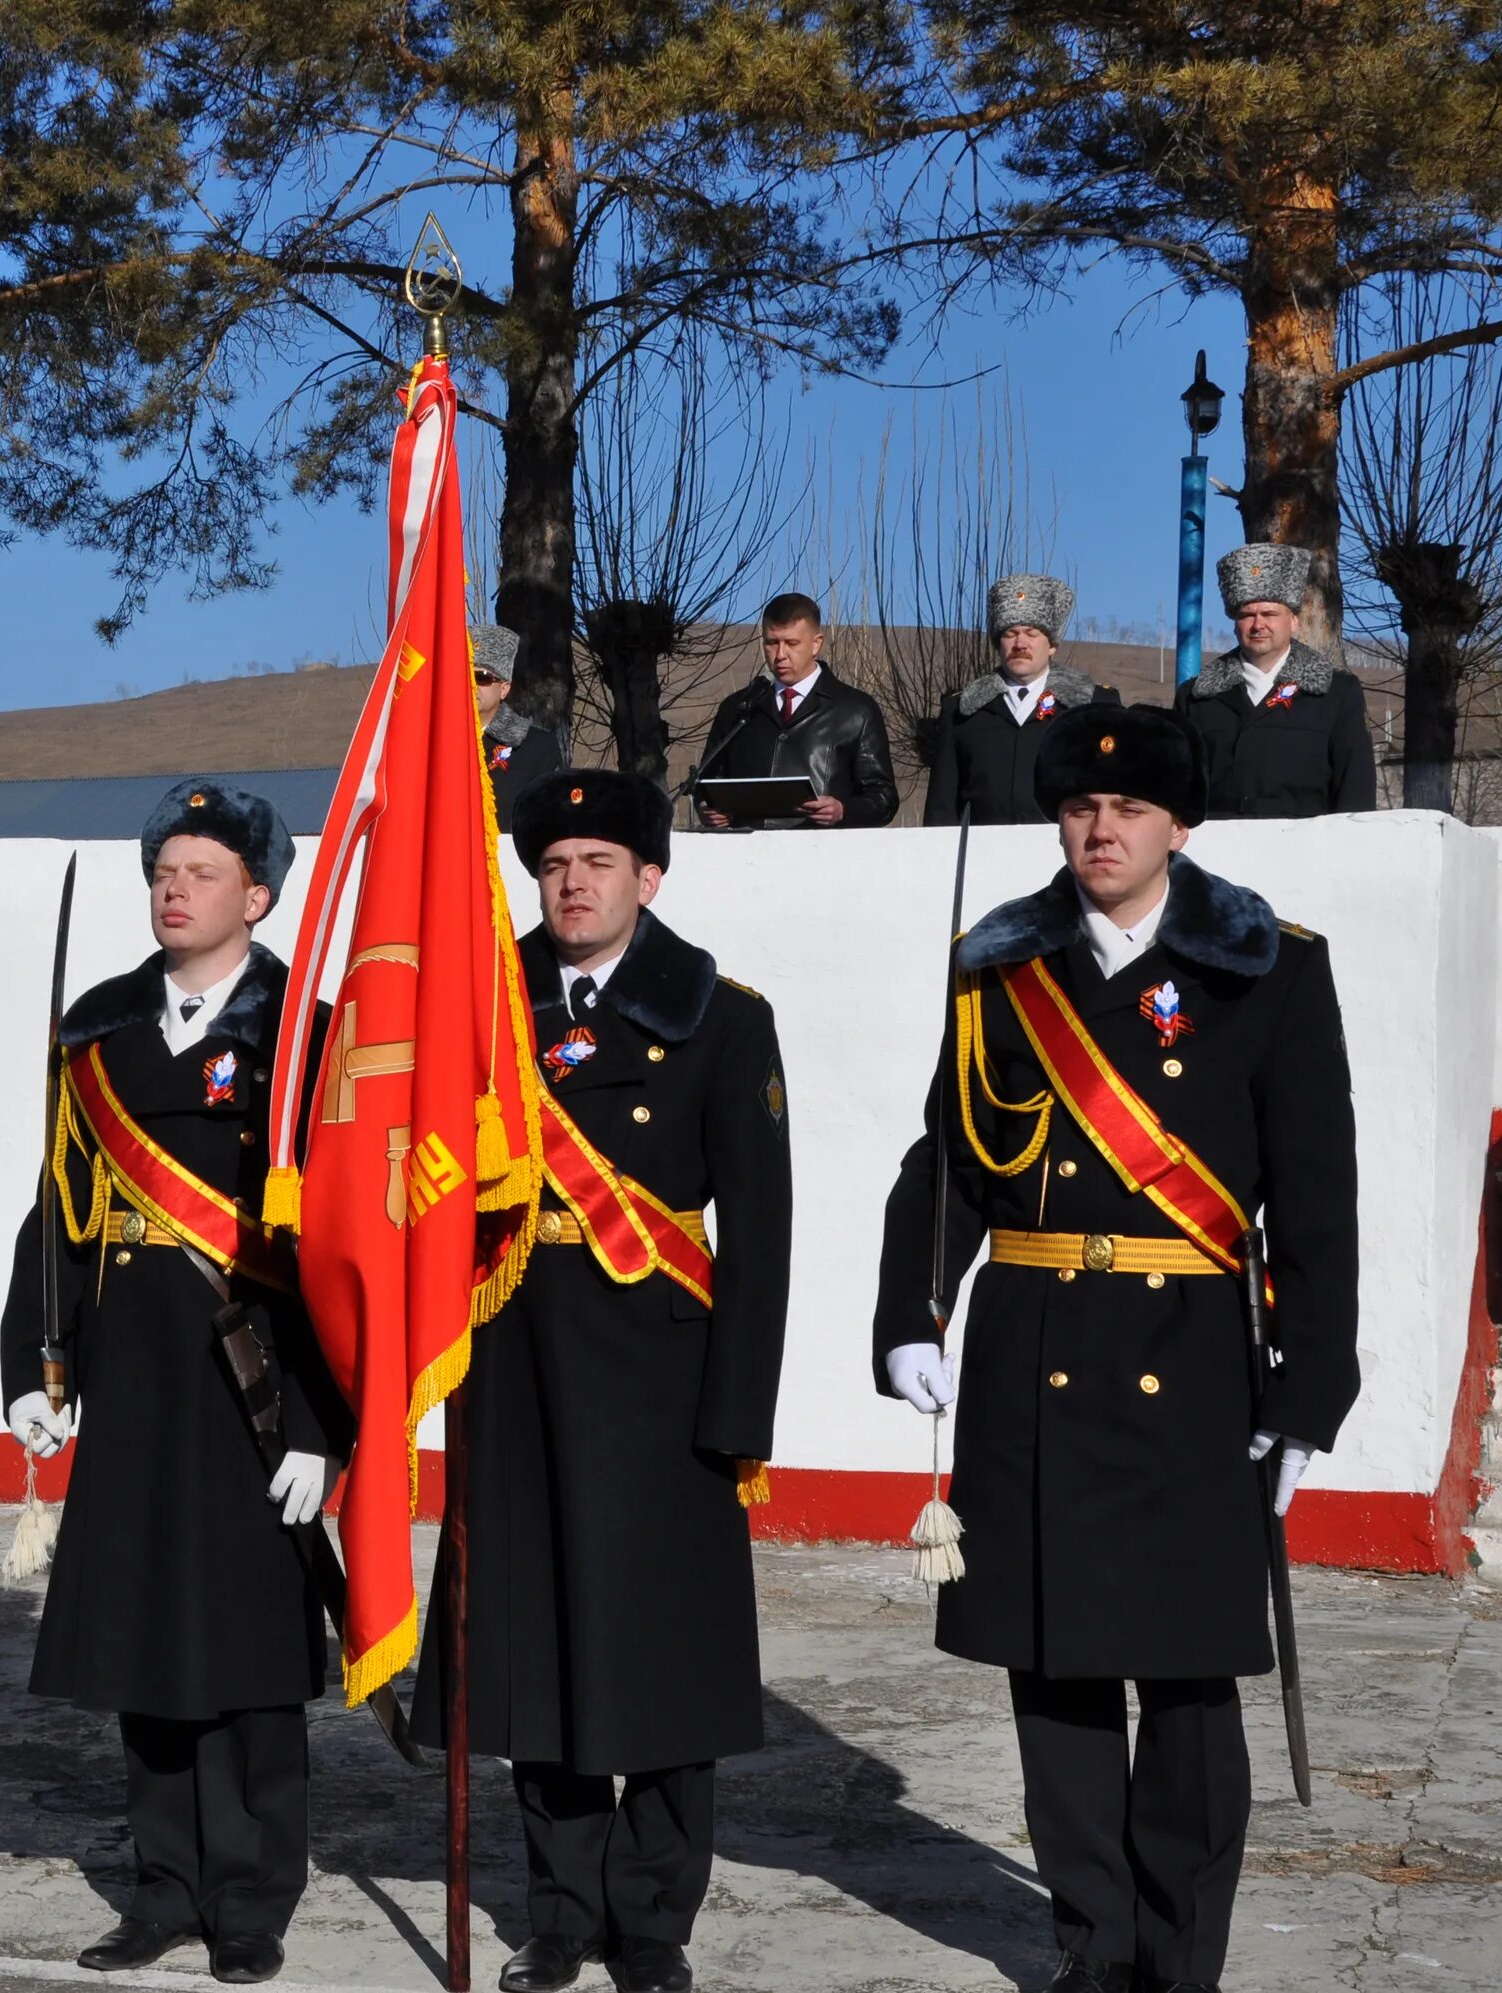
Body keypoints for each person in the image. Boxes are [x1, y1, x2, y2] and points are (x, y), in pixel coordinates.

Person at [871, 706, 1361, 1993]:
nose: (1102, 829)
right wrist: (911, 1312)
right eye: (1083, 810)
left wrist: (1309, 1389)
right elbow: (951, 1159)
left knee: (1191, 1683)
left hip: (1194, 1359)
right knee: (1058, 1674)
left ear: (1180, 826)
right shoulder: (1002, 965)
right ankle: (1094, 1946)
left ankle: (1179, 1956)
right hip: (1034, 1352)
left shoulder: (1268, 967)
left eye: (1131, 810)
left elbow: (1315, 1200)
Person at [414, 769, 793, 1993]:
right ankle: (559, 1914)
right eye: (555, 864)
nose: (572, 884)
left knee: (666, 1665)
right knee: (537, 1657)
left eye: (597, 863)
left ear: (650, 878)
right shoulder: (485, 1009)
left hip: (663, 1379)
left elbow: (764, 1230)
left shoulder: (723, 1016)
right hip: (518, 1367)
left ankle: (654, 1920)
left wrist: (739, 1413)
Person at [0, 779, 348, 1987]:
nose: (173, 887)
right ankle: (161, 1886)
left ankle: (251, 1897)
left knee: (251, 1661)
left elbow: (340, 1248)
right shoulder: (97, 1027)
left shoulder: (309, 1027)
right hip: (137, 1380)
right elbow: (56, 1207)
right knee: (147, 1653)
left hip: (253, 1384)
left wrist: (321, 1423)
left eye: (201, 872)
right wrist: (34, 1363)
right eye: (164, 869)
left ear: (257, 895)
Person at [1173, 545, 1376, 818]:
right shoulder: (1196, 698)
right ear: (1235, 623)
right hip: (1216, 855)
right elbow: (1178, 793)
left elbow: (1356, 795)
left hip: (1308, 853)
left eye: (1269, 614)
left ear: (1293, 621)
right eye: (1246, 615)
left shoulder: (1336, 693)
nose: (1258, 625)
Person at [924, 575, 1121, 826]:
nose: (1020, 643)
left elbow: (1115, 792)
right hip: (982, 855)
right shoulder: (962, 709)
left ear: (1052, 645)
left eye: (1031, 632)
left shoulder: (1094, 705)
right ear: (998, 643)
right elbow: (942, 805)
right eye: (1010, 633)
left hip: (1066, 853)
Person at [693, 593, 898, 828]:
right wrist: (706, 808)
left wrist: (844, 810)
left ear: (816, 643)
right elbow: (706, 782)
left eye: (791, 643)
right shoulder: (738, 708)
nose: (780, 655)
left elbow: (884, 798)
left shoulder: (857, 710)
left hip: (821, 854)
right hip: (746, 854)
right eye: (771, 643)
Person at [474, 622, 569, 826]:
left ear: (504, 689)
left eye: (481, 677)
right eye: (461, 676)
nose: (471, 685)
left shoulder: (536, 747)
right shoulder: (428, 745)